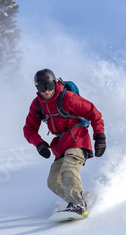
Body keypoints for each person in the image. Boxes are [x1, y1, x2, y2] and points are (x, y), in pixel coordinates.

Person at [23, 69, 106, 217]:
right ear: (37, 88)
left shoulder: (68, 98)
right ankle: (82, 199)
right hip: (61, 145)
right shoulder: (38, 105)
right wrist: (39, 143)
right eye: (42, 88)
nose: (47, 91)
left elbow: (94, 113)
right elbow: (29, 129)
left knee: (68, 169)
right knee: (53, 181)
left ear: (55, 83)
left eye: (49, 86)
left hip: (77, 139)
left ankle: (78, 204)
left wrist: (99, 136)